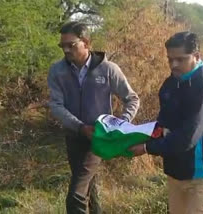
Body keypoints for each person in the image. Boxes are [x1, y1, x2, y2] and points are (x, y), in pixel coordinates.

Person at [130, 31, 203, 214]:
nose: (173, 65)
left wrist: (146, 148)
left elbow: (188, 137)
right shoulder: (171, 83)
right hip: (176, 171)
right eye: (170, 59)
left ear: (196, 56)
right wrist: (131, 136)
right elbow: (163, 124)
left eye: (180, 60)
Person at [47, 21, 139, 214]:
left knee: (76, 195)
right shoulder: (57, 71)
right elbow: (56, 105)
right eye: (62, 46)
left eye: (70, 45)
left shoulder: (108, 69)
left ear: (86, 43)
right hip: (73, 136)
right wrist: (79, 127)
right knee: (87, 185)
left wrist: (120, 124)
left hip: (98, 139)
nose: (65, 50)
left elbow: (131, 99)